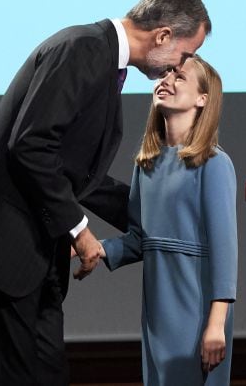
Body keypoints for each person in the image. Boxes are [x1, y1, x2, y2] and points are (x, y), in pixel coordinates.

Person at [0, 0, 211, 385]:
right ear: (163, 35)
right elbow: (30, 146)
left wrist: (154, 212)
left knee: (48, 374)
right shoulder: (82, 48)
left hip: (31, 251)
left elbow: (75, 174)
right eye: (185, 55)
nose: (178, 67)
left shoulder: (102, 59)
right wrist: (78, 230)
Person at [99, 54, 238, 385]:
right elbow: (138, 239)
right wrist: (92, 248)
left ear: (203, 99)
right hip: (157, 310)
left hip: (197, 307)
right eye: (164, 74)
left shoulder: (213, 163)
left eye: (180, 77)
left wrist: (216, 324)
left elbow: (225, 251)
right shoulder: (146, 164)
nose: (166, 81)